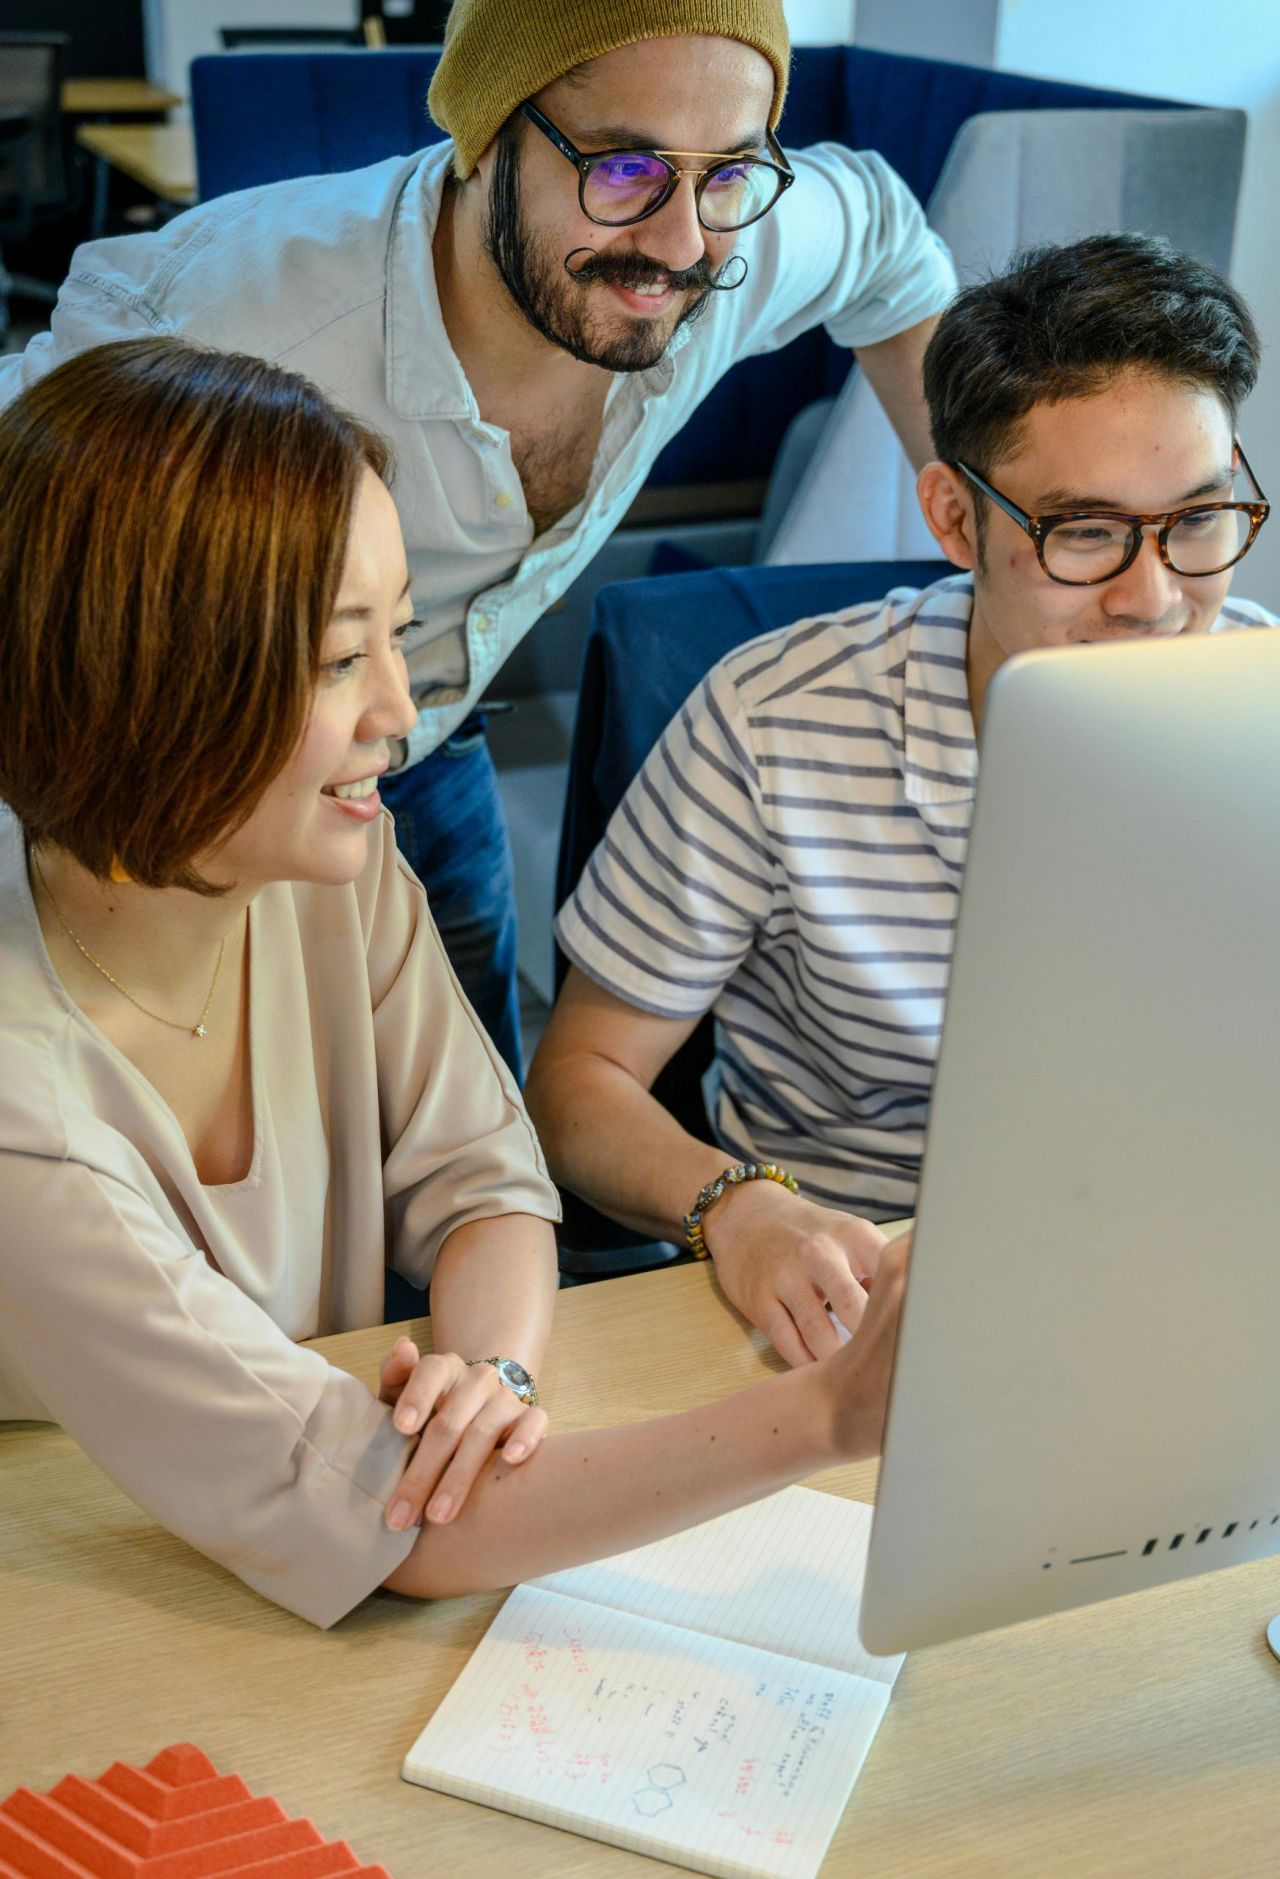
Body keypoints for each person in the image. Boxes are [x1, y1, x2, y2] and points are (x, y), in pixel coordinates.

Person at [0, 337, 907, 1629]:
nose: (401, 708)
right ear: (146, 686)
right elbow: (378, 1522)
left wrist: (492, 1374)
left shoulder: (326, 861)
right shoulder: (23, 1107)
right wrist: (827, 1411)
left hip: (264, 1514)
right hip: (80, 1575)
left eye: (398, 635)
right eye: (334, 659)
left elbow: (484, 1178)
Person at [0, 0, 955, 1076]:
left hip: (427, 740)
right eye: (625, 169)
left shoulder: (726, 242)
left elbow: (883, 236)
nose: (683, 243)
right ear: (486, 136)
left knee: (472, 1126)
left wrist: (978, 517)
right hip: (197, 776)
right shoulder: (234, 321)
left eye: (725, 174)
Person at [525, 233, 1275, 1367]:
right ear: (951, 519)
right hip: (861, 1305)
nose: (1155, 597)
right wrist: (738, 1205)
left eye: (1197, 521)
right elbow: (576, 1086)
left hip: (1192, 1286)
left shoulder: (1256, 698)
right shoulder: (773, 724)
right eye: (1082, 534)